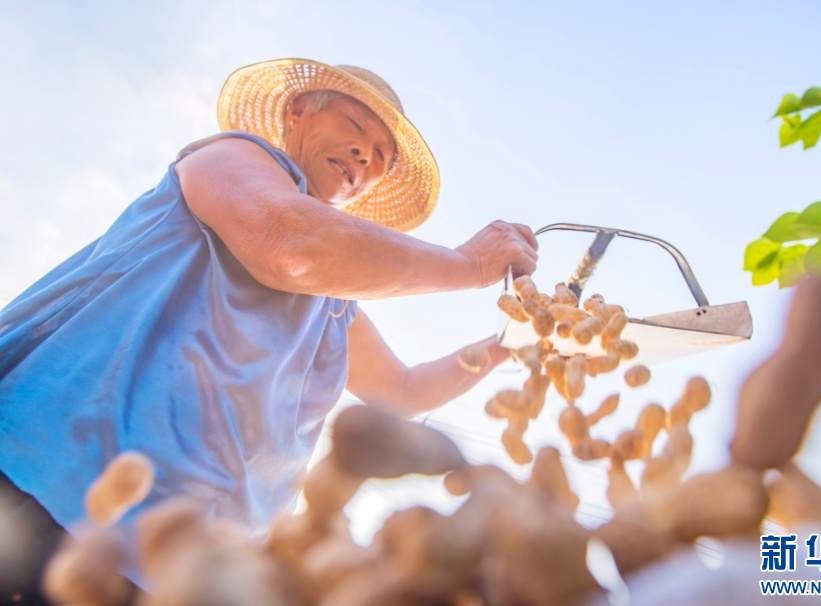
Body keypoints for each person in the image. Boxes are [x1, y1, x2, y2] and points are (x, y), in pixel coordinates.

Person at [0, 58, 538, 602]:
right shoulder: (232, 157)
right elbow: (286, 243)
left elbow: (401, 390)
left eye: (380, 155)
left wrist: (504, 348)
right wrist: (467, 265)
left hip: (183, 567)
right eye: (356, 128)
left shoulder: (335, 301)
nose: (364, 155)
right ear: (298, 112)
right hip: (48, 481)